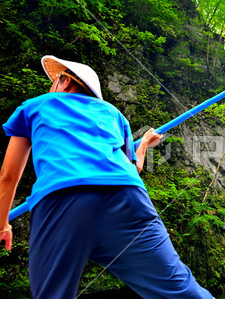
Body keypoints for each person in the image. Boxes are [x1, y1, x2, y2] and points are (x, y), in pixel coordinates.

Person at [0, 55, 213, 299]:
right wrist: (142, 146)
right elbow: (131, 169)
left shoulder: (35, 105)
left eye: (55, 80)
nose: (51, 87)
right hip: (127, 198)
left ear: (65, 81)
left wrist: (2, 222)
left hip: (63, 199)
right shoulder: (113, 114)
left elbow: (8, 175)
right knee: (183, 292)